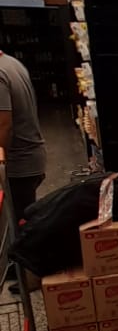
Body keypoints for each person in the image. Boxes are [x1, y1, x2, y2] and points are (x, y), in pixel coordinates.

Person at [0, 52, 47, 222]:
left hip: (18, 166)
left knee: (20, 225)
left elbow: (4, 125)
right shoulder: (11, 63)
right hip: (30, 158)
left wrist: (0, 165)